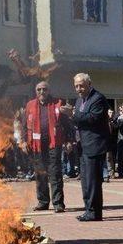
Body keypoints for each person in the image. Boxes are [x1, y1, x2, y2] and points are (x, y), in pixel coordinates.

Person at [61, 73, 109, 222]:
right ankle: (88, 209)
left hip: (94, 145)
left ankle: (94, 212)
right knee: (85, 180)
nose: (79, 89)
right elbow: (78, 121)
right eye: (76, 86)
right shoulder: (79, 100)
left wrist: (73, 114)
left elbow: (92, 119)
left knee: (93, 180)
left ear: (89, 84)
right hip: (82, 145)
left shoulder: (98, 98)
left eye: (81, 85)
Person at [24, 81, 72, 213]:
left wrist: (68, 140)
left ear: (48, 91)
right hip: (37, 146)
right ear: (36, 91)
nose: (41, 92)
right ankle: (43, 202)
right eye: (39, 89)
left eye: (44, 89)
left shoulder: (58, 103)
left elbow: (67, 125)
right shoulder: (30, 105)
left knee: (55, 173)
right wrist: (23, 142)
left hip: (53, 144)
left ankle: (58, 203)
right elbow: (24, 126)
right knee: (40, 174)